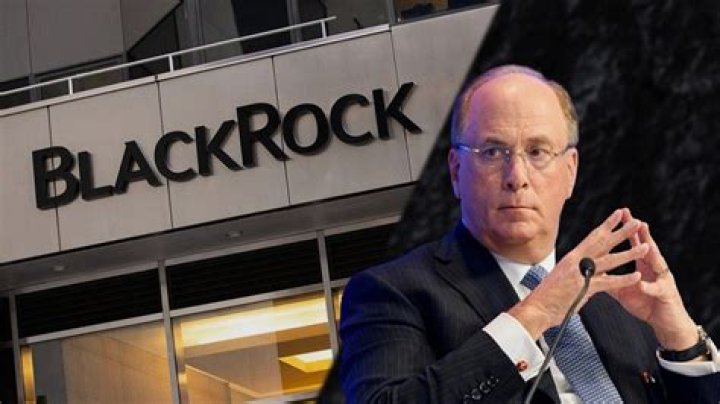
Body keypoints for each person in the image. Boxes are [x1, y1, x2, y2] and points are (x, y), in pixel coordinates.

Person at [339, 65, 720, 403]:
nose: (516, 177)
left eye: (537, 152)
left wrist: (680, 340)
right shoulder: (392, 293)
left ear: (570, 171)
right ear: (456, 171)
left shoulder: (619, 299)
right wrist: (536, 313)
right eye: (492, 152)